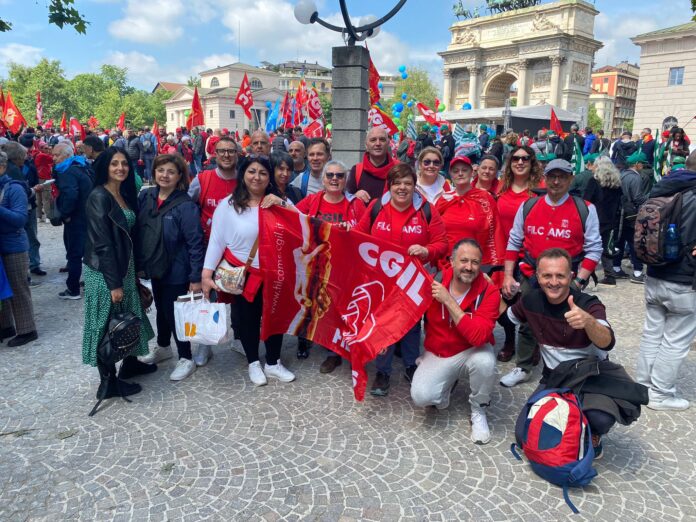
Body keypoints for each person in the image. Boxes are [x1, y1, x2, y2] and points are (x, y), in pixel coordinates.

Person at [506, 247, 644, 458]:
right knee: (522, 435)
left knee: (600, 418)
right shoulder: (530, 300)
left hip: (589, 379)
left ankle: (593, 433)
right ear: (537, 277)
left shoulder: (588, 304)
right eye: (547, 276)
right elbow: (504, 318)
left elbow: (608, 341)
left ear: (570, 276)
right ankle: (570, 423)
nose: (554, 282)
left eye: (560, 275)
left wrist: (588, 322)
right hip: (555, 377)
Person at [500, 158, 602, 388]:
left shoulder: (585, 208)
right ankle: (524, 366)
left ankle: (565, 369)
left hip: (568, 278)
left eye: (562, 177)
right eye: (552, 176)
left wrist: (582, 279)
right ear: (544, 178)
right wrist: (508, 275)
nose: (556, 181)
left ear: (570, 179)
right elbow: (514, 242)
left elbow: (594, 247)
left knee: (567, 321)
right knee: (527, 320)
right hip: (531, 273)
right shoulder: (529, 206)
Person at [354, 163, 448, 395]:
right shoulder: (376, 207)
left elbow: (443, 243)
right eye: (397, 183)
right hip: (381, 281)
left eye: (408, 183)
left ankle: (410, 366)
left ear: (415, 186)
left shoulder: (427, 209)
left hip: (414, 281)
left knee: (412, 325)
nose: (402, 188)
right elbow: (358, 235)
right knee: (383, 324)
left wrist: (427, 251)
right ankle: (383, 371)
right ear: (390, 186)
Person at [202, 154, 295, 386]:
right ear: (243, 174)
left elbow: (300, 224)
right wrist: (206, 273)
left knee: (274, 317)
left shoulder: (279, 201)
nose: (257, 177)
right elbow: (216, 241)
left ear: (269, 177)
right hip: (242, 273)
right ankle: (253, 362)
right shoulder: (229, 205)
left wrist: (282, 204)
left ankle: (273, 362)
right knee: (247, 319)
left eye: (263, 173)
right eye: (252, 171)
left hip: (275, 272)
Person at [82, 147, 156, 401]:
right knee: (108, 324)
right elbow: (102, 243)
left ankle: (131, 362)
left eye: (124, 163)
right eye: (114, 164)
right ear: (105, 166)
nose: (120, 168)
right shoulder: (98, 196)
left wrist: (133, 274)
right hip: (105, 272)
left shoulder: (123, 193)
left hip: (124, 266)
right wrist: (114, 283)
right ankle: (108, 383)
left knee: (128, 317)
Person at [410, 239, 500, 444]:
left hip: (471, 349)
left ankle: (478, 410)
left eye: (475, 262)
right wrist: (385, 340)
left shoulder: (489, 291)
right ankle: (446, 383)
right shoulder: (434, 281)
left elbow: (478, 336)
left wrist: (449, 301)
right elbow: (406, 312)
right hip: (439, 351)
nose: (469, 267)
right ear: (451, 261)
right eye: (464, 261)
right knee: (421, 397)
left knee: (485, 362)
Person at [636, 151, 696, 411]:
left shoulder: (664, 187)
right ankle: (660, 394)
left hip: (655, 272)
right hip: (684, 279)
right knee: (675, 340)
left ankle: (643, 386)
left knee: (652, 334)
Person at [136, 154, 204, 381]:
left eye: (171, 172)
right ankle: (164, 347)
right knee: (162, 312)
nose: (165, 175)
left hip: (176, 269)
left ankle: (186, 357)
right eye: (161, 170)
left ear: (179, 177)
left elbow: (195, 243)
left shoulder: (185, 205)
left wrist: (195, 277)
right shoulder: (146, 197)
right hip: (154, 267)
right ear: (154, 172)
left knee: (175, 314)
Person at [295, 159, 367, 365]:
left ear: (346, 180)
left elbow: (367, 234)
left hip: (345, 267)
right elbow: (292, 217)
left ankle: (335, 351)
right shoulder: (312, 201)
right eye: (330, 175)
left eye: (339, 175)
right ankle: (307, 340)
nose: (334, 179)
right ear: (323, 179)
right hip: (315, 265)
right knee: (310, 304)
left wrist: (350, 232)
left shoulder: (355, 204)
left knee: (338, 309)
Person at [495, 146, 545, 362]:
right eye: (516, 158)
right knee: (503, 302)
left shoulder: (540, 189)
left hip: (529, 256)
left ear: (532, 162)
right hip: (502, 254)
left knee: (529, 302)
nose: (520, 162)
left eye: (525, 158)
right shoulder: (501, 187)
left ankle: (531, 343)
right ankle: (508, 340)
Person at [436, 155, 504, 276]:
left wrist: (497, 268)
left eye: (464, 170)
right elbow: (435, 232)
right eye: (456, 171)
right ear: (450, 174)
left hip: (474, 267)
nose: (460, 174)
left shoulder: (484, 198)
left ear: (472, 172)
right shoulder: (444, 199)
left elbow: (495, 233)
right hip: (447, 265)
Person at [0, 151, 38, 347]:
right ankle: (6, 326)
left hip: (14, 245)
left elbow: (20, 219)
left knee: (18, 287)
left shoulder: (14, 189)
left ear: (2, 167)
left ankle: (27, 329)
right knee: (3, 288)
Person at [52, 142, 93, 299]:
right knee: (88, 253)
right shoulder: (81, 166)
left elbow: (70, 195)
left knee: (74, 254)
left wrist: (65, 213)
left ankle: (73, 289)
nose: (54, 158)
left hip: (77, 218)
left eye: (57, 155)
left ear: (67, 155)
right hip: (88, 215)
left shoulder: (67, 171)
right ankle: (89, 284)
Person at [583, 157, 623, 286]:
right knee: (606, 248)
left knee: (590, 247)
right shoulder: (617, 183)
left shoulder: (594, 182)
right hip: (611, 219)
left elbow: (586, 200)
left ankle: (585, 276)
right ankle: (610, 274)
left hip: (595, 219)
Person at [613, 150, 649, 284]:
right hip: (631, 215)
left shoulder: (621, 174)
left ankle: (616, 268)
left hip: (619, 213)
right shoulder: (635, 177)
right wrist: (651, 196)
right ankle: (638, 271)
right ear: (637, 164)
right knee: (635, 242)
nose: (643, 167)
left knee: (619, 241)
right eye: (642, 165)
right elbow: (638, 198)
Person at [346, 127, 397, 203]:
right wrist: (354, 196)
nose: (378, 144)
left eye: (382, 140)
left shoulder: (399, 168)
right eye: (373, 140)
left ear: (388, 143)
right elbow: (346, 199)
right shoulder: (356, 170)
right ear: (366, 145)